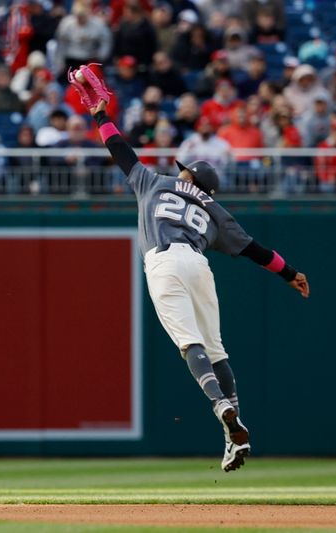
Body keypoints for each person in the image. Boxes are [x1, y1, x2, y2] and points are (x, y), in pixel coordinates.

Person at [69, 63, 309, 472]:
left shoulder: (156, 181)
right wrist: (289, 273)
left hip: (163, 261)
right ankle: (233, 426)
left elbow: (120, 150)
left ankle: (220, 407)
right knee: (217, 351)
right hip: (199, 263)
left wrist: (100, 114)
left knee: (188, 345)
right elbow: (255, 249)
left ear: (188, 175)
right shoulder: (215, 209)